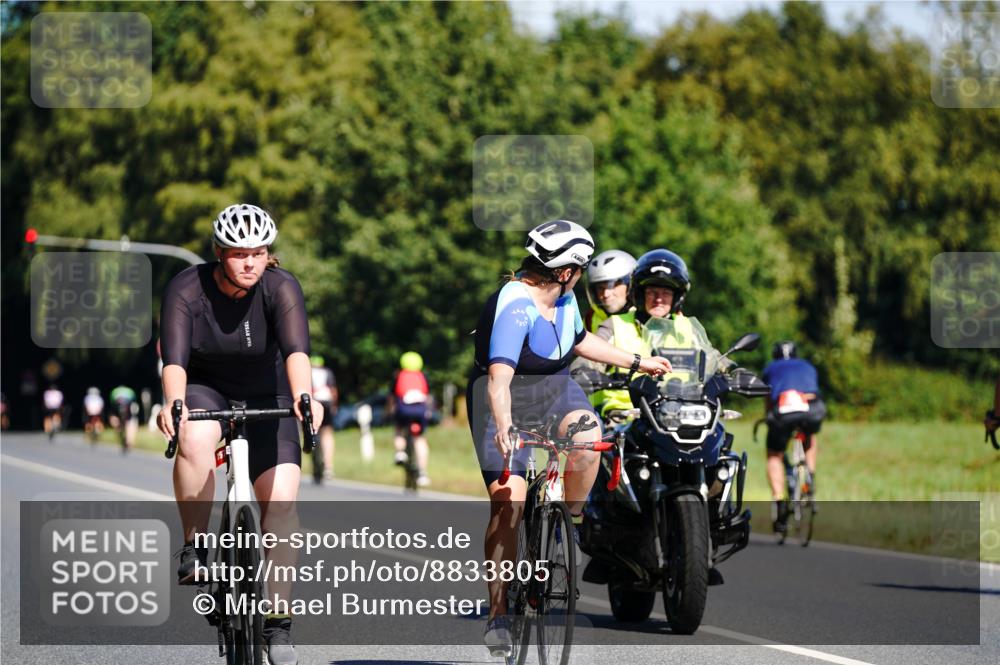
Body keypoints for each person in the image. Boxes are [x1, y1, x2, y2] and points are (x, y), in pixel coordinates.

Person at [466, 220, 672, 656]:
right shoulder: (514, 306)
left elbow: (580, 343)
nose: (579, 277)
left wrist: (638, 361)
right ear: (564, 270)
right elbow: (499, 381)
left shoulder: (566, 297)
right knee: (508, 500)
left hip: (556, 389)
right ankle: (498, 613)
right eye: (578, 270)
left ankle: (569, 521)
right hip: (503, 398)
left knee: (588, 437)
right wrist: (504, 426)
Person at [156, 203, 322, 665]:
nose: (250, 262)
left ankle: (278, 624)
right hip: (206, 389)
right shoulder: (186, 289)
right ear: (218, 253)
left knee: (282, 510)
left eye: (260, 252)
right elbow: (174, 361)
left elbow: (296, 351)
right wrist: (174, 403)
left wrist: (305, 397)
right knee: (191, 438)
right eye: (238, 253)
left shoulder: (280, 285)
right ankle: (195, 545)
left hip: (269, 391)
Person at [762, 341, 827, 533]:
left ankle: (779, 498)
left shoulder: (771, 368)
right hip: (812, 409)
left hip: (784, 410)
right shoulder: (807, 365)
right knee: (809, 437)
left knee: (774, 455)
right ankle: (810, 475)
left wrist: (767, 418)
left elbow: (767, 400)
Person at [389, 351, 431, 486]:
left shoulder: (398, 376)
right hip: (420, 411)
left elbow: (392, 397)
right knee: (420, 439)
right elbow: (427, 395)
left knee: (399, 429)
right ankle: (423, 473)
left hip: (404, 410)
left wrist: (390, 411)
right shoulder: (423, 376)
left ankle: (400, 453)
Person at [584, 249, 637, 333]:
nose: (606, 294)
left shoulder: (643, 317)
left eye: (612, 285)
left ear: (631, 285)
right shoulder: (590, 318)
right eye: (600, 288)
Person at [310, 355, 338, 481]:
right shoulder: (328, 372)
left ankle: (314, 452)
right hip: (326, 404)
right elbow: (333, 390)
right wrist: (334, 406)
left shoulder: (307, 372)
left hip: (312, 404)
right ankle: (328, 466)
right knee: (327, 433)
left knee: (311, 431)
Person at [109, 385, 139, 453]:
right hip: (126, 409)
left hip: (123, 409)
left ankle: (125, 438)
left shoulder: (115, 391)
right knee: (130, 423)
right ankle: (128, 440)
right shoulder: (130, 392)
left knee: (119, 422)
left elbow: (112, 406)